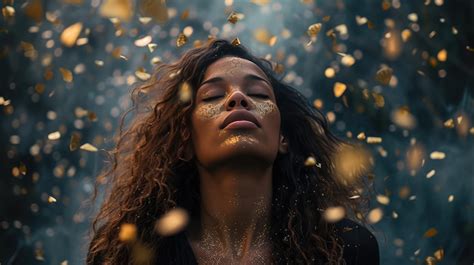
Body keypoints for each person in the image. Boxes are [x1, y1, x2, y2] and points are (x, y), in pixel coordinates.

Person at [86, 38, 379, 265]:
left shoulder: (347, 248)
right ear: (184, 142)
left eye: (259, 94)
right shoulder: (126, 253)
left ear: (283, 139)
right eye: (213, 95)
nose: (238, 97)